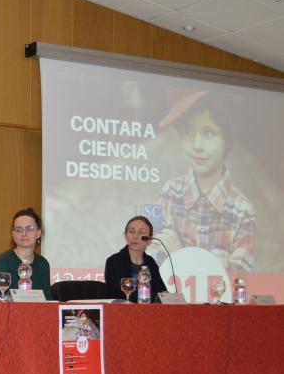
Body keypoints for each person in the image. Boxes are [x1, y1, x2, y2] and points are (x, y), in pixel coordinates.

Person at [156, 91, 255, 275]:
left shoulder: (242, 211)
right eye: (188, 132)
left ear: (228, 139)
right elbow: (155, 260)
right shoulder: (170, 193)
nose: (197, 145)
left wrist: (181, 255)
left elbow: (238, 282)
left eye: (209, 133)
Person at [0, 208, 51, 299]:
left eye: (29, 228)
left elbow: (48, 301)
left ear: (38, 233)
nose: (23, 233)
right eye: (18, 229)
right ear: (13, 235)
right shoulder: (3, 261)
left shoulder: (43, 264)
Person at [104, 215, 168, 302]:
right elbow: (116, 296)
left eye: (141, 232)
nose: (135, 236)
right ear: (126, 236)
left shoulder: (150, 262)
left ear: (149, 240)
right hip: (124, 312)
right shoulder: (114, 261)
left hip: (150, 312)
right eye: (131, 231)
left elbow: (161, 293)